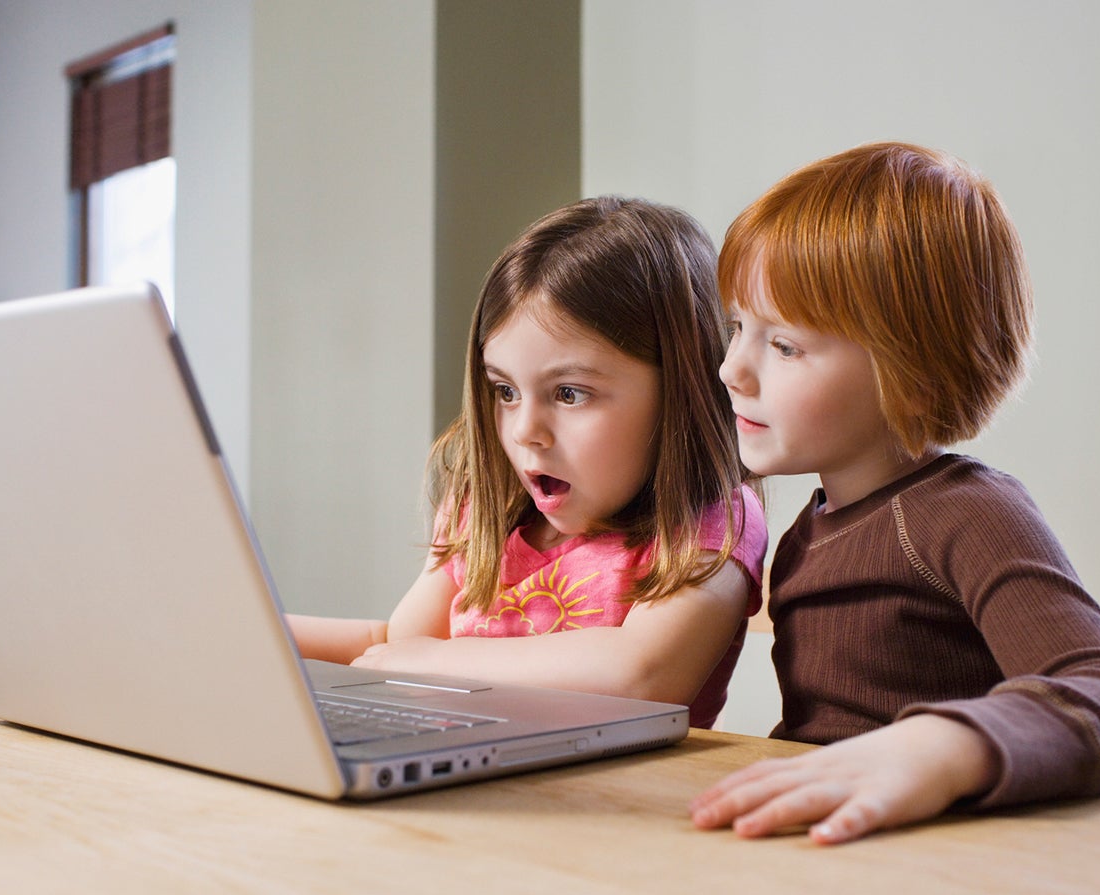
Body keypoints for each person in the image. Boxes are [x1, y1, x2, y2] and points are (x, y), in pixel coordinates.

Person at [689, 142, 1100, 843]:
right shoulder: (808, 530)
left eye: (784, 345)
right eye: (738, 328)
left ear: (910, 370)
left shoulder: (968, 513)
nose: (733, 368)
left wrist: (941, 748)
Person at [289, 197, 768, 729]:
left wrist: (438, 662)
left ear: (681, 388)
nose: (524, 432)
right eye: (505, 390)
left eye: (568, 393)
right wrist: (252, 629)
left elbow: (644, 675)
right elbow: (397, 646)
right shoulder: (487, 507)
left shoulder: (712, 521)